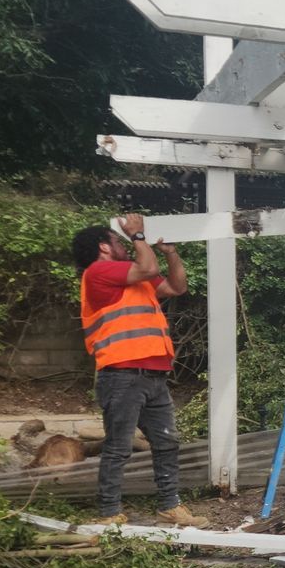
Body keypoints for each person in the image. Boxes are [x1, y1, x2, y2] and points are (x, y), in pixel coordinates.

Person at [71, 214, 207, 528]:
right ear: (103, 247)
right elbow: (147, 267)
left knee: (166, 441)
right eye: (117, 240)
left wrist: (171, 253)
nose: (124, 245)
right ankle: (109, 512)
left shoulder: (130, 278)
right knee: (119, 445)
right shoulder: (99, 271)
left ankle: (169, 506)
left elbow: (177, 286)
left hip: (152, 372)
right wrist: (138, 235)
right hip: (122, 372)